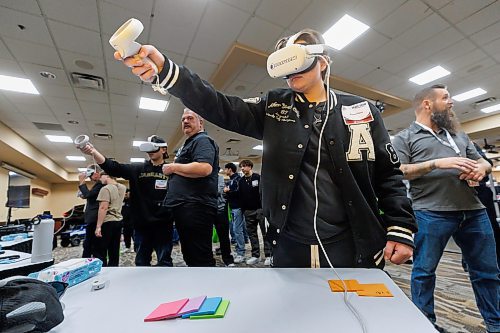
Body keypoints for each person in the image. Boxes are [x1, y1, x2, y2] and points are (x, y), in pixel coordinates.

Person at [115, 28, 416, 269]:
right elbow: (222, 106)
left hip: (351, 242)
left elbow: (388, 176)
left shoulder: (360, 110)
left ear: (322, 61)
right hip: (290, 241)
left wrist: (400, 227)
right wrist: (168, 72)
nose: (289, 70)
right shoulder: (275, 106)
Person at [392, 84, 500, 333]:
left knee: (487, 273)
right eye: (445, 98)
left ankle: (495, 324)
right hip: (430, 212)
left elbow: (482, 160)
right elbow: (399, 171)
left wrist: (481, 169)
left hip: (473, 211)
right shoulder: (404, 138)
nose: (451, 102)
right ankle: (425, 324)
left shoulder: (459, 136)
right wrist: (435, 163)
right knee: (424, 273)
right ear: (427, 104)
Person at [78, 135, 174, 267]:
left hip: (163, 225)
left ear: (163, 150)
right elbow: (112, 167)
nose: (151, 151)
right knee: (141, 262)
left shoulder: (172, 170)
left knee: (165, 262)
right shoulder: (137, 169)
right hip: (142, 225)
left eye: (155, 148)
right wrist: (93, 151)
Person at [161, 108, 219, 267]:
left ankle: (207, 289)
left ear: (201, 123)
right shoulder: (191, 142)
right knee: (191, 254)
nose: (185, 121)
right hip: (187, 206)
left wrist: (173, 167)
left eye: (190, 118)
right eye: (183, 119)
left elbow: (204, 168)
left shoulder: (202, 140)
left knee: (199, 256)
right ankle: (198, 288)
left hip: (195, 206)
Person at [238, 159, 271, 265]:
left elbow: (264, 193)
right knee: (252, 234)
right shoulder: (241, 181)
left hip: (260, 210)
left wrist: (264, 208)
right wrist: (244, 210)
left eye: (244, 166)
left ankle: (269, 255)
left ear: (250, 167)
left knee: (265, 233)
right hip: (248, 211)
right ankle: (255, 255)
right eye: (241, 167)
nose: (242, 168)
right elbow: (241, 196)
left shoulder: (258, 177)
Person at [94, 172, 127, 267]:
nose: (100, 179)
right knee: (114, 249)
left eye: (101, 177)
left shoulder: (105, 189)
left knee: (100, 250)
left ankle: (102, 271)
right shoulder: (122, 187)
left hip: (107, 221)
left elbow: (103, 208)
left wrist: (98, 226)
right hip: (118, 221)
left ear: (106, 175)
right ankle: (113, 269)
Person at [78, 165, 103, 258]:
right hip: (92, 217)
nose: (90, 178)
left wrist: (81, 181)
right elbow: (90, 196)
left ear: (97, 173)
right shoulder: (97, 184)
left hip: (94, 218)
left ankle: (86, 262)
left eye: (90, 175)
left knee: (90, 243)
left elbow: (89, 194)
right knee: (88, 243)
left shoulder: (100, 184)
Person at [223, 162, 245, 263]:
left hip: (238, 207)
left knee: (237, 230)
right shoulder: (231, 180)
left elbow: (239, 192)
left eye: (225, 169)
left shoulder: (237, 179)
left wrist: (228, 191)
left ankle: (241, 253)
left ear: (230, 169)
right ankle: (238, 250)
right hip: (232, 207)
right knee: (235, 229)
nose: (224, 171)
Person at [215, 173, 235, 266]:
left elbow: (219, 191)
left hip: (220, 209)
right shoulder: (201, 177)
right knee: (204, 237)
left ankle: (227, 259)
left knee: (224, 236)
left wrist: (206, 191)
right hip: (205, 210)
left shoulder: (219, 177)